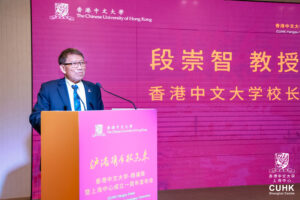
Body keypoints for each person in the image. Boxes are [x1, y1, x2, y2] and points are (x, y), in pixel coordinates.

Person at [29, 48, 104, 133]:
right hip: (60, 139)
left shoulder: (94, 89)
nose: (80, 67)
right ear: (63, 68)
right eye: (74, 64)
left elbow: (100, 117)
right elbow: (36, 117)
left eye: (82, 63)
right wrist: (54, 125)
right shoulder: (49, 89)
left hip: (89, 139)